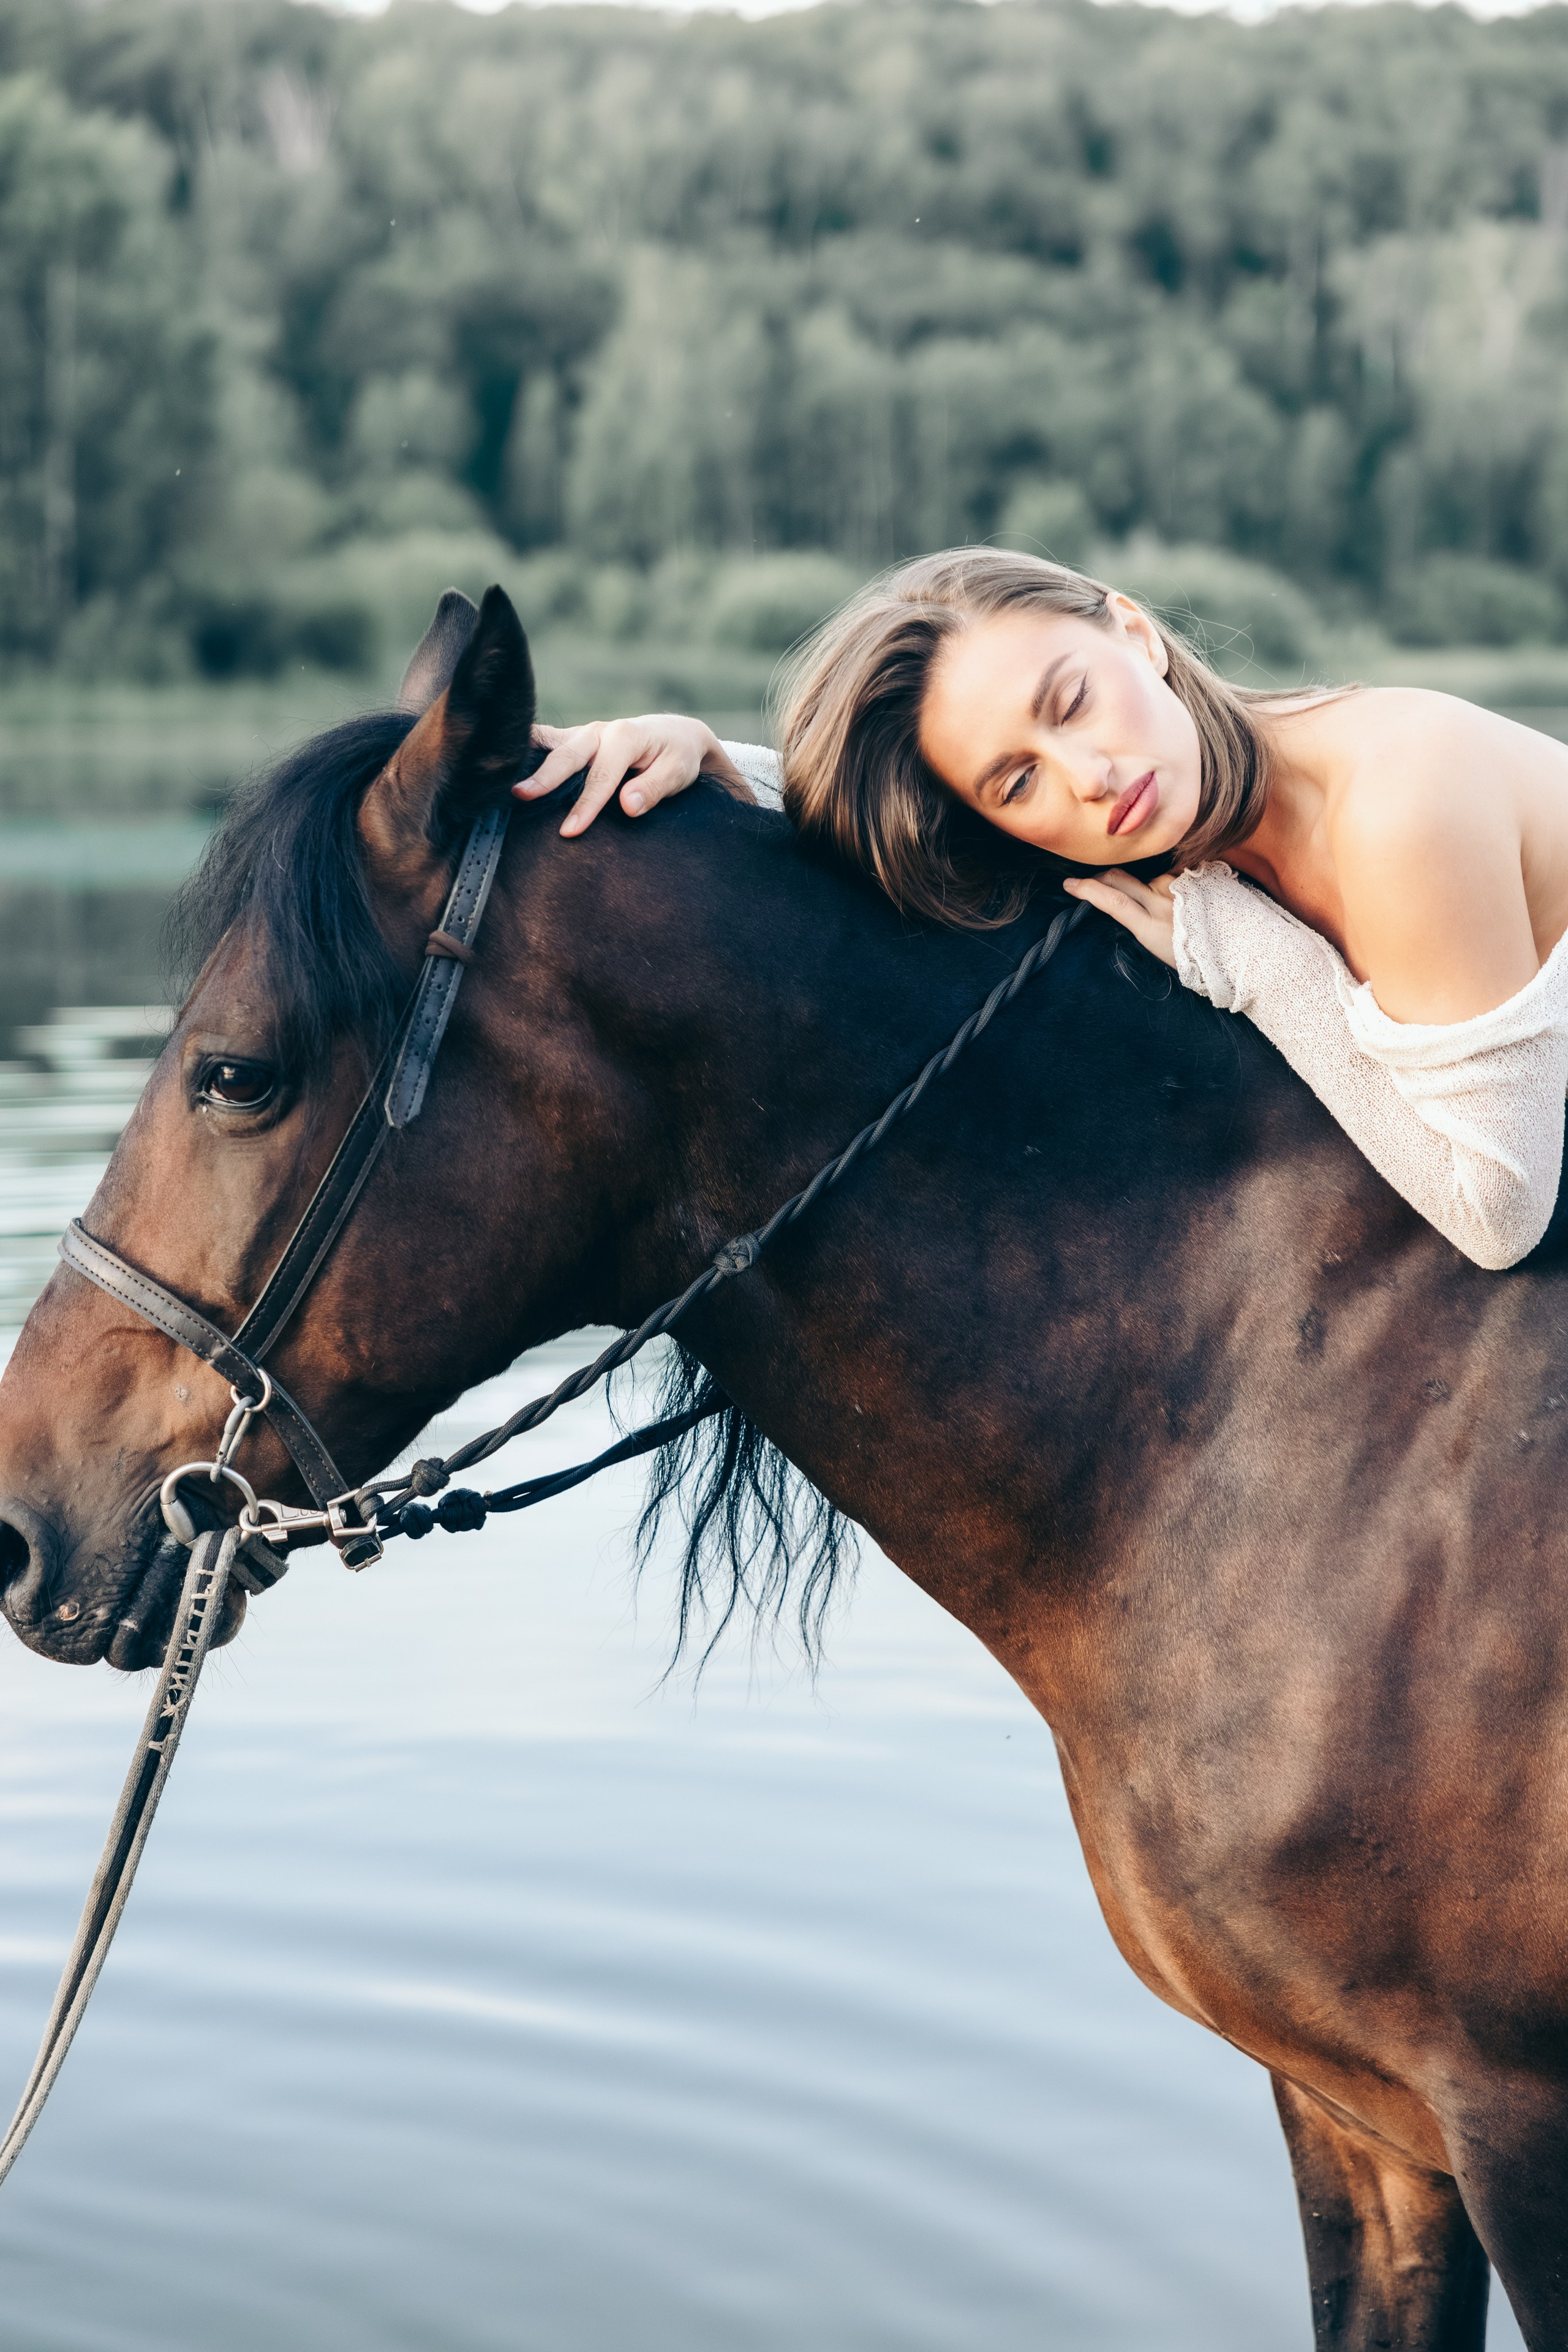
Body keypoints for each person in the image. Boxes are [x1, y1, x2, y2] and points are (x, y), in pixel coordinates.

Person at [516, 547, 1568, 1270]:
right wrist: (718, 776)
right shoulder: (1168, 830)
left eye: (1072, 701)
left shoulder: (1399, 806)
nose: (1089, 777)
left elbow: (1496, 1211)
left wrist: (1254, 962)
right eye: (1017, 782)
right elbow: (933, 859)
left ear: (1136, 632)